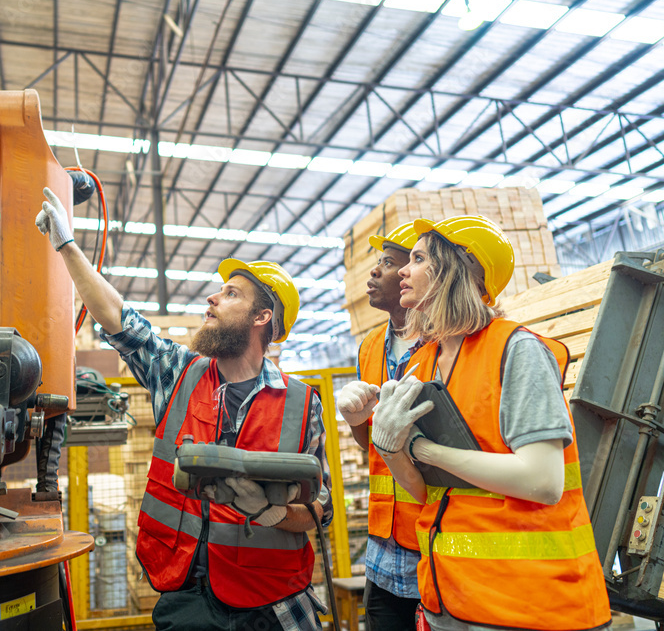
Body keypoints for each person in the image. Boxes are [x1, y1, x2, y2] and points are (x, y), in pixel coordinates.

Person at [36, 188, 333, 631]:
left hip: (272, 604)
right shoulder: (180, 372)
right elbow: (118, 317)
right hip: (187, 594)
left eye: (230, 293)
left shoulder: (302, 403)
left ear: (262, 318)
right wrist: (67, 246)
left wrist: (268, 512)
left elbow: (318, 510)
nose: (212, 299)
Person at [370, 215, 611, 631]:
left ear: (454, 270)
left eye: (418, 258)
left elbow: (543, 480)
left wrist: (426, 450)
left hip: (530, 604)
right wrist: (390, 450)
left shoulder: (515, 349)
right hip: (451, 599)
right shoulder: (422, 363)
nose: (403, 271)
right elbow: (424, 489)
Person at [334, 222, 424, 631]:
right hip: (383, 547)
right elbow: (372, 443)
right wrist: (356, 422)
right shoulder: (370, 346)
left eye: (388, 263)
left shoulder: (446, 341)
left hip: (433, 540)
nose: (374, 272)